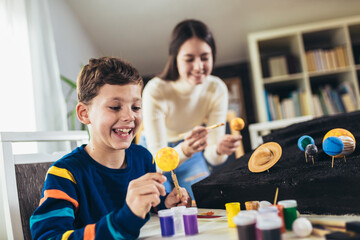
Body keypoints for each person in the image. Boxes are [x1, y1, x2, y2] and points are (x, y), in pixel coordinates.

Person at [30, 57, 190, 239]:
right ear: (84, 114)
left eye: (136, 107)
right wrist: (126, 218)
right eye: (115, 107)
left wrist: (165, 204)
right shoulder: (65, 174)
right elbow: (47, 237)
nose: (130, 116)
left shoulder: (143, 158)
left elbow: (150, 207)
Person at [141, 19, 242, 200]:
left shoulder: (216, 89)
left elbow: (212, 158)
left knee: (205, 200)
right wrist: (184, 150)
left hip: (192, 151)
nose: (198, 67)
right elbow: (158, 163)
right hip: (156, 154)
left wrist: (218, 149)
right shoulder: (155, 90)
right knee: (160, 203)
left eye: (205, 57)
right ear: (175, 58)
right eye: (189, 59)